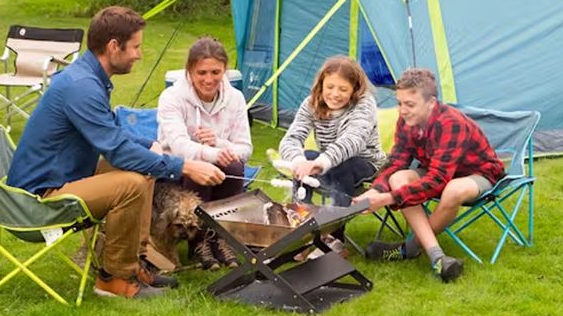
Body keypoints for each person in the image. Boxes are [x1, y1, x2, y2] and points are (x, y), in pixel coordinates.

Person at [8, 6, 225, 299]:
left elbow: (112, 131)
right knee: (131, 184)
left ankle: (136, 263)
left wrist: (149, 144)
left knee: (143, 170)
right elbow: (118, 151)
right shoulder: (81, 86)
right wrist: (184, 166)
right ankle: (113, 279)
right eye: (135, 46)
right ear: (113, 47)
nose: (139, 53)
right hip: (38, 199)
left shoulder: (88, 78)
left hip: (62, 179)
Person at [354, 68, 505, 283]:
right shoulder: (406, 121)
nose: (403, 110)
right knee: (398, 177)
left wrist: (388, 199)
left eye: (410, 104)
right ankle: (438, 257)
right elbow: (396, 161)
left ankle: (409, 248)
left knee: (453, 190)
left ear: (431, 103)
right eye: (399, 103)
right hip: (437, 167)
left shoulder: (451, 123)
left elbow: (438, 180)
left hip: (477, 173)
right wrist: (375, 191)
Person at [157, 36, 252, 268]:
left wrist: (219, 143)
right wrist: (213, 154)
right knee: (202, 165)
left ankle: (220, 238)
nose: (209, 80)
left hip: (220, 168)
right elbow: (179, 146)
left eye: (215, 72)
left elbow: (246, 149)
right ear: (189, 71)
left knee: (235, 166)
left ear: (225, 71)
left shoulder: (236, 98)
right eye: (202, 73)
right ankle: (198, 242)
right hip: (176, 170)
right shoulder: (172, 97)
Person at [277, 55, 387, 212]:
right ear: (321, 85)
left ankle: (334, 229)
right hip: (329, 161)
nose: (335, 94)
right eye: (329, 87)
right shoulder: (311, 103)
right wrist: (299, 161)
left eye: (343, 89)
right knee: (306, 156)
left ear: (355, 90)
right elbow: (291, 139)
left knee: (341, 166)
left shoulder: (364, 103)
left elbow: (353, 141)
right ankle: (300, 215)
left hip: (364, 162)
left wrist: (321, 163)